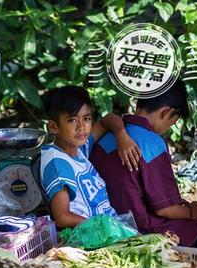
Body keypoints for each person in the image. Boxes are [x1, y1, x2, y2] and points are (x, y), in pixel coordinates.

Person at [90, 80, 197, 268]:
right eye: (172, 122)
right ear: (167, 112)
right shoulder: (152, 143)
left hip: (106, 224)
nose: (168, 128)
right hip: (142, 228)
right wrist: (192, 212)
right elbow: (166, 209)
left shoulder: (105, 137)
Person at [40, 85, 139, 229]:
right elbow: (62, 217)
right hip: (93, 235)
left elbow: (108, 119)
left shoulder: (78, 149)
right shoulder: (58, 162)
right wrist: (108, 227)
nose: (81, 126)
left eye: (86, 118)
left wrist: (121, 135)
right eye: (72, 120)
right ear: (54, 126)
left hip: (110, 227)